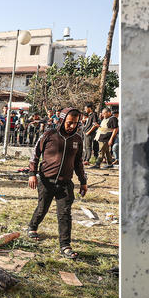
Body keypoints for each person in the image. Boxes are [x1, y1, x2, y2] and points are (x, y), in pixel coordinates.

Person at [27, 108, 87, 260]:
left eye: (75, 123)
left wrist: (83, 182)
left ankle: (65, 245)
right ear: (61, 120)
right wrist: (32, 174)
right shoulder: (49, 135)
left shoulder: (77, 139)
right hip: (46, 181)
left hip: (65, 184)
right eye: (69, 123)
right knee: (42, 208)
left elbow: (79, 162)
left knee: (65, 214)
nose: (72, 126)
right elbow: (35, 155)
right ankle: (32, 226)